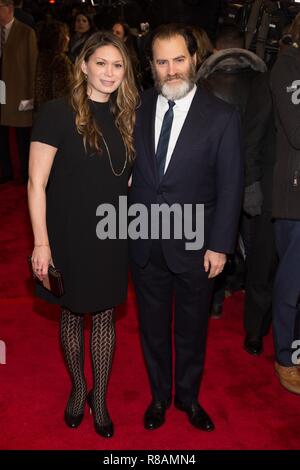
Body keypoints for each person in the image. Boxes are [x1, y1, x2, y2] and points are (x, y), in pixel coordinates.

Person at [130, 24, 243, 432]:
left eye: (179, 59)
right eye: (162, 62)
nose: (172, 69)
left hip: (197, 245)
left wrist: (220, 245)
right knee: (153, 328)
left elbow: (231, 185)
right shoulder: (138, 106)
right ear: (152, 67)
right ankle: (159, 396)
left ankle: (188, 397)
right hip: (144, 242)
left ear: (194, 59)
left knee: (193, 329)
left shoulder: (222, 115)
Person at [28, 32, 139, 437]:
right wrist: (42, 243)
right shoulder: (57, 113)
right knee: (73, 313)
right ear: (84, 66)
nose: (109, 73)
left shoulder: (129, 113)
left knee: (106, 315)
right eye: (102, 63)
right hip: (68, 231)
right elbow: (35, 183)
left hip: (111, 232)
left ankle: (102, 397)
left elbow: (125, 177)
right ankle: (78, 392)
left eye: (118, 65)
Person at [270, 13, 300, 394]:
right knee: (292, 285)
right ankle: (285, 357)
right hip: (295, 198)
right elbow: (296, 131)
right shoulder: (288, 67)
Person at [0, 0, 38, 183]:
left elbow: (33, 66)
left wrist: (31, 96)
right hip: (0, 91)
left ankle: (25, 173)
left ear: (9, 9)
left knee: (23, 137)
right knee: (1, 135)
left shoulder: (26, 32)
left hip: (19, 93)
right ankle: (5, 171)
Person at [35, 21, 73, 110]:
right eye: (66, 34)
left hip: (42, 111)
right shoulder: (60, 61)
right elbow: (63, 92)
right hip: (58, 112)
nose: (68, 38)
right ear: (60, 39)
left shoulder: (41, 56)